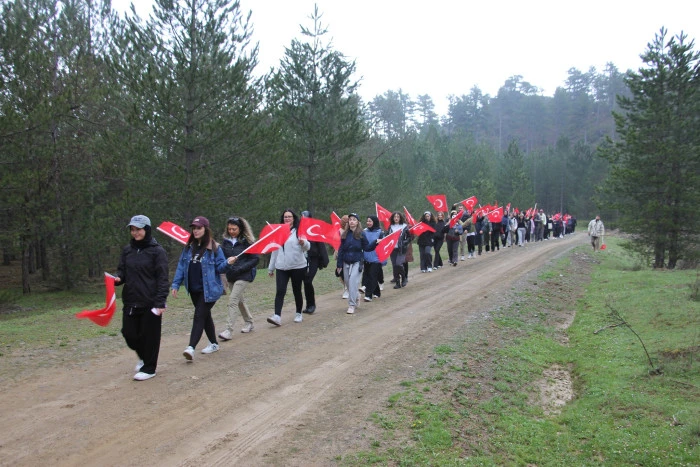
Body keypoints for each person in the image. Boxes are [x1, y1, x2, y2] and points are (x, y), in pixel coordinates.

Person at [114, 215, 169, 381]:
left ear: (147, 229)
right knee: (129, 334)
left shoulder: (157, 251)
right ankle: (144, 357)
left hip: (150, 302)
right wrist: (117, 278)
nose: (135, 233)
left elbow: (162, 278)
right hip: (131, 300)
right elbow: (122, 271)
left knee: (150, 336)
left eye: (138, 229)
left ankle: (149, 368)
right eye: (132, 229)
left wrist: (160, 301)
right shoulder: (127, 250)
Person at [172, 216, 228, 361]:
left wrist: (228, 262)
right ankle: (214, 343)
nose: (195, 231)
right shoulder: (189, 247)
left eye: (199, 228)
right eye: (194, 228)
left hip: (210, 289)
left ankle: (191, 347)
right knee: (205, 315)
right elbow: (181, 266)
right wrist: (176, 284)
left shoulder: (214, 247)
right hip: (194, 289)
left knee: (199, 316)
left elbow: (220, 267)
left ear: (206, 229)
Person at [219, 216, 259, 340]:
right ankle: (249, 322)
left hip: (244, 275)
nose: (231, 231)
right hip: (231, 275)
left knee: (233, 300)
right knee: (239, 300)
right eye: (229, 229)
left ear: (240, 229)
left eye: (234, 229)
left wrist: (241, 268)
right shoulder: (225, 242)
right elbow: (221, 258)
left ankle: (228, 330)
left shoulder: (248, 242)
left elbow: (255, 259)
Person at [267, 209, 310, 325]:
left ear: (293, 218)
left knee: (297, 290)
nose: (287, 219)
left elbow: (307, 247)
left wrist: (303, 243)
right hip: (282, 267)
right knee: (280, 290)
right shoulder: (278, 232)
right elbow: (275, 251)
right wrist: (271, 268)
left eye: (289, 217)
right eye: (285, 217)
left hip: (297, 266)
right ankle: (277, 316)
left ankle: (298, 313)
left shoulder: (299, 231)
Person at [336, 213, 376, 313]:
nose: (352, 221)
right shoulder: (345, 234)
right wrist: (339, 264)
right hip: (346, 261)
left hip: (357, 261)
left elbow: (367, 247)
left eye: (354, 219)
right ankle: (356, 295)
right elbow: (341, 250)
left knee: (353, 282)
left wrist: (375, 242)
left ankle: (351, 305)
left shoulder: (361, 234)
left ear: (357, 222)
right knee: (348, 283)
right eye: (350, 219)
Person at [301, 210, 329, 315]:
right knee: (305, 282)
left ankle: (311, 305)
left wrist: (325, 260)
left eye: (306, 217)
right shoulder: (299, 230)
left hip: (314, 259)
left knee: (308, 280)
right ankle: (308, 305)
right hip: (302, 259)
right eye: (302, 217)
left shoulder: (315, 229)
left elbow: (321, 245)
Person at [361, 215, 384, 302]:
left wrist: (383, 259)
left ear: (374, 222)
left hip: (376, 258)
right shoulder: (364, 232)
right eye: (367, 221)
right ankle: (377, 292)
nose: (368, 223)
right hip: (366, 258)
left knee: (372, 276)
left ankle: (368, 295)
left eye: (370, 221)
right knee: (368, 275)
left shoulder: (380, 233)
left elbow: (383, 247)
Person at [387, 211, 410, 288]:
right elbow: (387, 236)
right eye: (395, 217)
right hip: (392, 249)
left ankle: (404, 277)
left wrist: (404, 243)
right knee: (394, 266)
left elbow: (409, 237)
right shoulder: (390, 227)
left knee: (399, 264)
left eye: (398, 217)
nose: (396, 218)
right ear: (392, 218)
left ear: (400, 218)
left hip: (401, 249)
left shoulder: (404, 226)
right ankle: (397, 282)